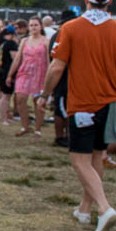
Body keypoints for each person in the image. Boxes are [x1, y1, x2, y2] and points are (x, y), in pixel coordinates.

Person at [36, 0, 116, 231]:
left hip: (83, 103)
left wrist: (44, 95)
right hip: (111, 103)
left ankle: (104, 208)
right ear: (110, 1)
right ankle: (84, 209)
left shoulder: (71, 28)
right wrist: (109, 67)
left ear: (86, 0)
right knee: (96, 157)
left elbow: (57, 66)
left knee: (79, 160)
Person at [6, 16, 49, 137]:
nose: (33, 27)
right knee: (20, 98)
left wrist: (49, 77)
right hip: (24, 72)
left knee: (38, 102)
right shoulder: (24, 41)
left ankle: (38, 129)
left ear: (40, 26)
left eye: (36, 25)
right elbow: (18, 59)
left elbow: (48, 60)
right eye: (31, 25)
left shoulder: (46, 41)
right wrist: (10, 75)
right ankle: (25, 126)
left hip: (40, 73)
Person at [49, 9, 79, 148]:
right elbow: (55, 61)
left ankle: (67, 135)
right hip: (63, 77)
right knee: (61, 109)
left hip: (67, 77)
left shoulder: (59, 35)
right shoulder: (60, 36)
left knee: (67, 107)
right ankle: (60, 136)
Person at [0, 25, 18, 125]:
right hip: (8, 72)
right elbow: (15, 59)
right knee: (6, 96)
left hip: (0, 71)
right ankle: (4, 119)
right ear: (12, 34)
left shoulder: (1, 43)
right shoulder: (11, 43)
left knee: (4, 95)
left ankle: (6, 116)